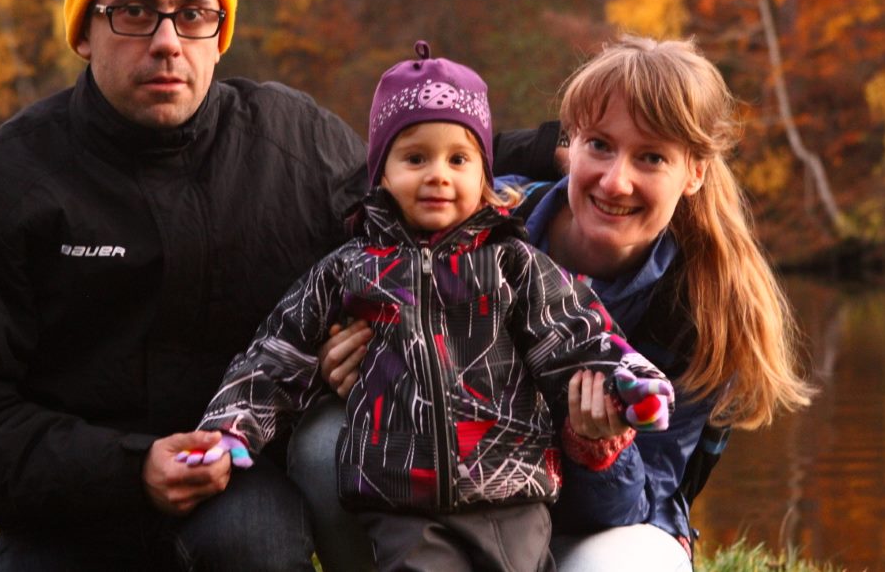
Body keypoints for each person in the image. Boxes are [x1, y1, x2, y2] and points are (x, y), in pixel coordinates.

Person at [0, 0, 371, 571]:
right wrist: (127, 470)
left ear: (220, 33)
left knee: (258, 543)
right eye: (133, 11)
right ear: (85, 32)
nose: (166, 41)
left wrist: (371, 334)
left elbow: (428, 192)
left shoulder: (299, 145)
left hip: (237, 477)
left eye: (192, 14)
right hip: (69, 502)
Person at [307, 34, 815, 571]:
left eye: (651, 157)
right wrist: (352, 362)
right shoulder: (477, 217)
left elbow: (639, 506)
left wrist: (599, 451)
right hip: (435, 502)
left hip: (589, 531)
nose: (616, 182)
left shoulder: (705, 309)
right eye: (600, 145)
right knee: (323, 442)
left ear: (694, 172)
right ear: (568, 143)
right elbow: (353, 239)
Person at [183, 42, 675, 572]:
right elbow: (277, 352)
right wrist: (230, 427)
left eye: (458, 159)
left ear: (483, 174)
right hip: (405, 502)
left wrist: (628, 381)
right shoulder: (350, 267)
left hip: (511, 488)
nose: (438, 174)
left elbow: (576, 334)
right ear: (383, 173)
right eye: (416, 158)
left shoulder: (515, 263)